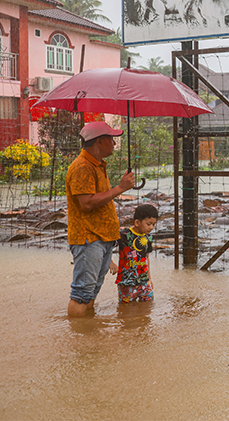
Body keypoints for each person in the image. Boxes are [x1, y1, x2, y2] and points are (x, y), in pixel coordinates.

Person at [66, 121, 135, 317]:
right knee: (82, 293)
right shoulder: (82, 167)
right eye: (111, 139)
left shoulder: (96, 166)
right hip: (89, 238)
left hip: (101, 237)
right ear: (100, 142)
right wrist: (120, 188)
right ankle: (78, 340)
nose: (114, 143)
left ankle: (87, 335)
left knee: (91, 291)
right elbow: (86, 203)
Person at [110, 203, 158, 303]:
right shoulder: (123, 235)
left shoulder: (148, 237)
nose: (151, 227)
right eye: (148, 224)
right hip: (126, 282)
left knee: (148, 305)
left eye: (153, 224)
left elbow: (146, 258)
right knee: (126, 310)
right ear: (137, 222)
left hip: (144, 281)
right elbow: (107, 248)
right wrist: (110, 263)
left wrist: (149, 278)